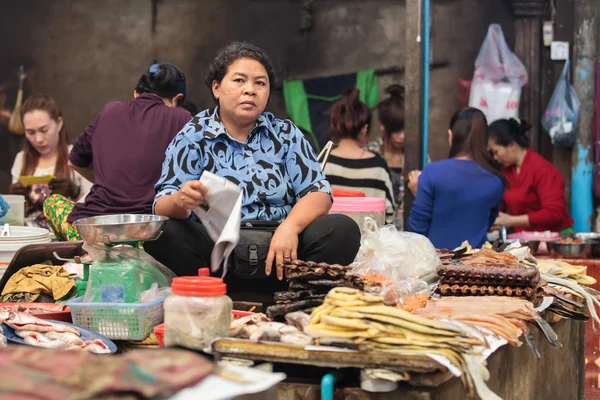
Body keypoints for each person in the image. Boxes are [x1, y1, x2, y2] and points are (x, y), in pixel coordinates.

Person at [144, 42, 360, 297]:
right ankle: (218, 294)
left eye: (260, 83)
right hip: (216, 251)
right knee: (161, 233)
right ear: (216, 87)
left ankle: (292, 293)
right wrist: (181, 200)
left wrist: (289, 227)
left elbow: (319, 193)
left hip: (283, 252)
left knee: (342, 230)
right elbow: (160, 205)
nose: (250, 90)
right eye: (239, 80)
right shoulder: (192, 136)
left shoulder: (286, 134)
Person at [42, 63, 192, 241]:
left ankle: (88, 252)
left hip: (94, 231)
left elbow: (73, 162)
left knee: (52, 203)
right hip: (148, 236)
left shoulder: (109, 111)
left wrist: (111, 182)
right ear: (177, 99)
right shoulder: (183, 119)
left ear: (136, 93)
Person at [407, 108, 505, 249]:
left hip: (438, 264)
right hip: (478, 263)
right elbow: (486, 222)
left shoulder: (432, 172)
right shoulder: (496, 179)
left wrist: (419, 193)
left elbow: (416, 229)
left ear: (450, 134)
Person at [9, 94, 92, 229]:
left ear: (59, 124)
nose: (38, 139)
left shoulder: (77, 157)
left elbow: (95, 209)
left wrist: (76, 192)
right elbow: (15, 218)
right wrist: (16, 200)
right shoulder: (21, 160)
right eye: (31, 132)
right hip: (29, 238)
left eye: (44, 130)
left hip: (69, 238)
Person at [488, 118, 574, 233]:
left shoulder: (542, 169)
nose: (495, 157)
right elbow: (500, 208)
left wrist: (512, 221)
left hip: (555, 239)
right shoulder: (506, 172)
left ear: (512, 145)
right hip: (523, 239)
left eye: (496, 152)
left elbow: (555, 213)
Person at [323, 87, 395, 224]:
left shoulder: (320, 163)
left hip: (328, 242)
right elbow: (389, 216)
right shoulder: (378, 167)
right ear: (364, 129)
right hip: (369, 244)